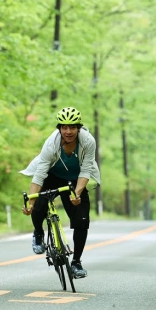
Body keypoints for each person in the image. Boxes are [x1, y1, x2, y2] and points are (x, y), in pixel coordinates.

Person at [21, 106, 101, 279]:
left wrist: (77, 194)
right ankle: (38, 233)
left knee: (82, 219)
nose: (68, 131)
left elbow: (86, 170)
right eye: (64, 127)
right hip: (51, 176)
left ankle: (76, 263)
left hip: (75, 180)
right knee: (39, 204)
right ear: (59, 128)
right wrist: (31, 204)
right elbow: (40, 174)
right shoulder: (51, 143)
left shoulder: (88, 141)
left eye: (72, 127)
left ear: (78, 128)